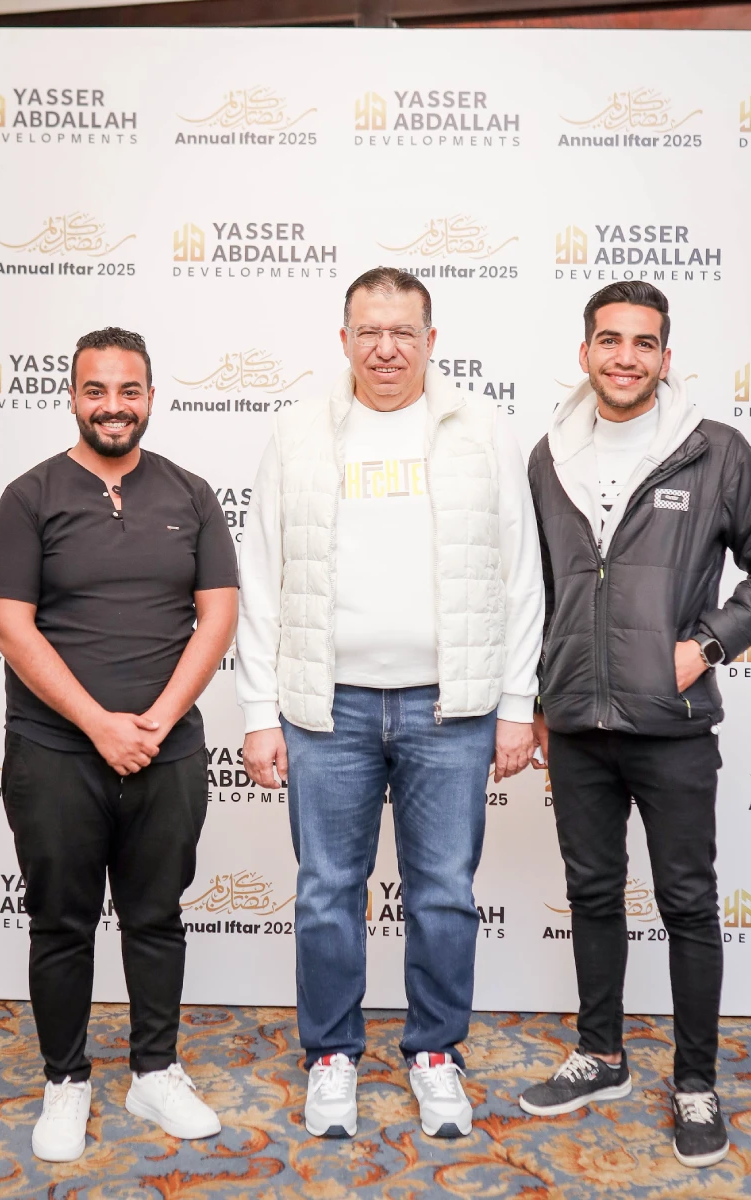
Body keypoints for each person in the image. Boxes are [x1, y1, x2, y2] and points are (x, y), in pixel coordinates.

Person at [236, 266, 544, 1140]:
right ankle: (331, 1055)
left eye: (403, 332)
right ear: (343, 340)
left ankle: (435, 1053)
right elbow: (264, 578)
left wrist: (516, 702)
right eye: (368, 332)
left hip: (450, 711)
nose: (385, 349)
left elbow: (520, 574)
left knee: (443, 892)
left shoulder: (481, 429)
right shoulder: (296, 433)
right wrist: (258, 711)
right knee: (326, 893)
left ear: (431, 340)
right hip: (324, 710)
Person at [520, 281, 751, 1168]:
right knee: (592, 894)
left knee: (687, 904)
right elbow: (534, 593)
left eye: (643, 343)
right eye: (610, 340)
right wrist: (539, 700)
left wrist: (706, 644)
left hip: (671, 725)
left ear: (666, 358)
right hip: (576, 724)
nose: (625, 357)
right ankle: (601, 1056)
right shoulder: (548, 456)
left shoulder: (714, 450)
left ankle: (696, 1082)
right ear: (585, 352)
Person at [0, 328, 239, 1163]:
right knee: (60, 923)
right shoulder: (29, 496)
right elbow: (7, 624)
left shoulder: (191, 493)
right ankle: (66, 1079)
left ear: (151, 398)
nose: (113, 406)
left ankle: (154, 1070)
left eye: (128, 390)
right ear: (71, 397)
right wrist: (98, 724)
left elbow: (218, 615)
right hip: (55, 752)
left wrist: (156, 721)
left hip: (167, 750)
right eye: (95, 390)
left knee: (156, 916)